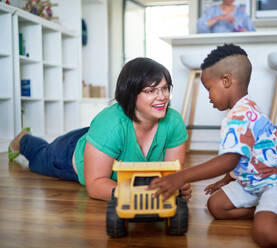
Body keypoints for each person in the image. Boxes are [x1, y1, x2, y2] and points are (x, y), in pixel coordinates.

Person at [148, 44, 277, 247]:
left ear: (226, 81)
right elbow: (247, 156)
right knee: (216, 205)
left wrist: (181, 176)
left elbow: (229, 159)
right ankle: (275, 212)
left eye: (209, 89)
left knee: (266, 234)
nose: (209, 97)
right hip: (257, 181)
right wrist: (226, 180)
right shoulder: (243, 109)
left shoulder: (240, 116)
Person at [8, 57, 192, 202]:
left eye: (165, 88)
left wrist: (176, 186)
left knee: (108, 135)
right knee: (39, 155)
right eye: (151, 91)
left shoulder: (173, 121)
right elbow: (95, 185)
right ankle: (23, 138)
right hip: (70, 154)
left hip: (105, 139)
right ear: (130, 94)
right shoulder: (110, 124)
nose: (162, 97)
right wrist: (137, 195)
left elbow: (172, 175)